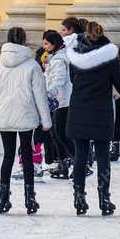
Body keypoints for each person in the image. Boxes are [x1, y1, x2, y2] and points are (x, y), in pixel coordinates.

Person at [65, 21, 120, 216]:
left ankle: (79, 198)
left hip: (79, 110)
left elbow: (73, 80)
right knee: (102, 157)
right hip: (101, 112)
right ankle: (104, 199)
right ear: (102, 34)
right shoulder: (109, 58)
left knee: (80, 156)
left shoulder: (75, 57)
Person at [0, 27, 52, 215]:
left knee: (8, 156)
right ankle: (29, 197)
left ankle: (3, 197)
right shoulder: (32, 66)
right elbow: (40, 96)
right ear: (24, 40)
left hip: (5, 115)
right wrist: (46, 120)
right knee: (26, 155)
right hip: (25, 116)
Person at [41, 30, 72, 179]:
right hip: (59, 101)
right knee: (56, 133)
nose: (44, 46)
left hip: (61, 101)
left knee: (60, 133)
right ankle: (63, 163)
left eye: (46, 43)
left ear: (54, 43)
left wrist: (49, 95)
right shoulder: (56, 57)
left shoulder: (59, 59)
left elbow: (59, 79)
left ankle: (74, 160)